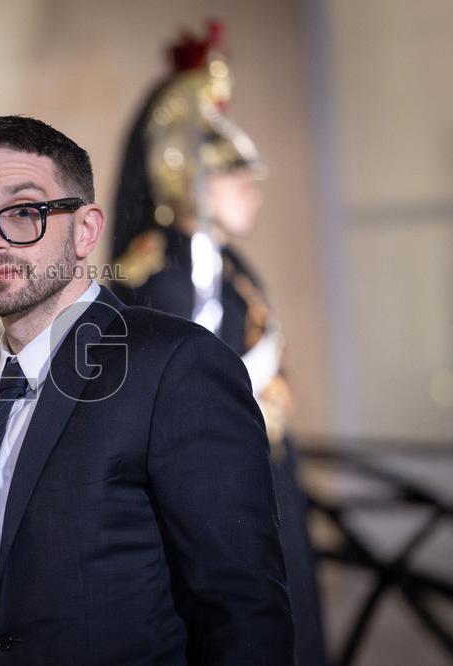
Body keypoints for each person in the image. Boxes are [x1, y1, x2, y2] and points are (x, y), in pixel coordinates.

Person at [0, 115, 294, 663]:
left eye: (24, 212)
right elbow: (16, 576)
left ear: (86, 229)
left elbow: (242, 607)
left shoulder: (175, 365)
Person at [110, 23, 326, 666]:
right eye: (235, 179)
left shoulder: (222, 263)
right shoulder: (166, 276)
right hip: (217, 488)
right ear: (188, 176)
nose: (251, 190)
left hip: (258, 469)